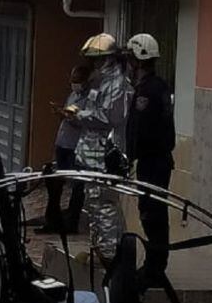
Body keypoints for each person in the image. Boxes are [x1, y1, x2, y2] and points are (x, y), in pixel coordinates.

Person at [73, 32, 133, 262]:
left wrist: (81, 114)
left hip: (105, 154)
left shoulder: (118, 85)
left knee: (104, 204)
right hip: (91, 152)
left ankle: (109, 254)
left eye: (98, 60)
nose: (95, 64)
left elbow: (110, 117)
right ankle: (99, 249)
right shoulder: (100, 82)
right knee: (94, 203)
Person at [125, 33, 176, 286]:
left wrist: (130, 155)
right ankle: (154, 265)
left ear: (139, 60)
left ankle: (155, 268)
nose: (129, 64)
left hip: (153, 161)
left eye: (131, 59)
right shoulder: (157, 87)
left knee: (152, 213)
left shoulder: (149, 91)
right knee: (152, 211)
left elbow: (142, 129)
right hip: (155, 160)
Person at [36, 65, 90, 235]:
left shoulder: (90, 99)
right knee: (55, 183)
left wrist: (67, 117)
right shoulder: (72, 95)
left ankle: (71, 222)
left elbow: (84, 121)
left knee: (77, 186)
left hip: (76, 146)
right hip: (63, 143)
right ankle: (52, 220)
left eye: (77, 81)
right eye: (72, 81)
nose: (74, 84)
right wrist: (61, 112)